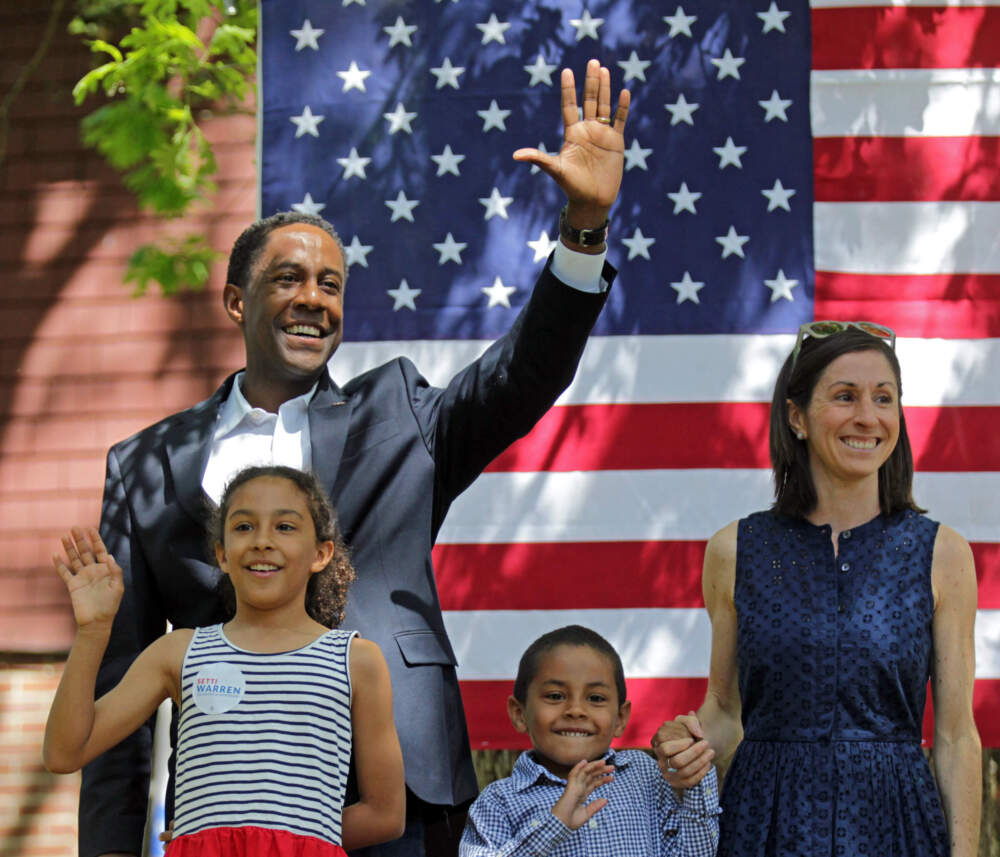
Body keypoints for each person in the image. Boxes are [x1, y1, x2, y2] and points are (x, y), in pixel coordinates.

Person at [80, 59, 631, 857]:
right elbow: (115, 699)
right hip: (233, 811)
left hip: (397, 794)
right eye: (290, 279)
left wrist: (582, 231)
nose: (315, 298)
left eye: (332, 284)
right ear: (237, 301)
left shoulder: (397, 410)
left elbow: (523, 376)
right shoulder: (145, 465)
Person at [651, 322, 981, 856]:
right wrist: (682, 746)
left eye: (884, 398)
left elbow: (956, 736)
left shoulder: (943, 554)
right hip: (765, 822)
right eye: (844, 397)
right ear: (796, 416)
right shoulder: (733, 549)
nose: (867, 417)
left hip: (894, 824)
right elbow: (726, 712)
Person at [45, 465, 406, 855]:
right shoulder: (179, 652)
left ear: (321, 554)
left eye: (285, 527)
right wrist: (94, 631)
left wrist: (273, 840)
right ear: (222, 554)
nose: (262, 541)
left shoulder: (355, 661)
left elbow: (385, 815)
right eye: (243, 527)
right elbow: (65, 752)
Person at [460, 625, 721, 856]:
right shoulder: (499, 801)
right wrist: (555, 823)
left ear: (620, 718)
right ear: (520, 714)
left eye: (595, 698)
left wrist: (693, 770)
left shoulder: (644, 776)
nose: (576, 710)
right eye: (555, 695)